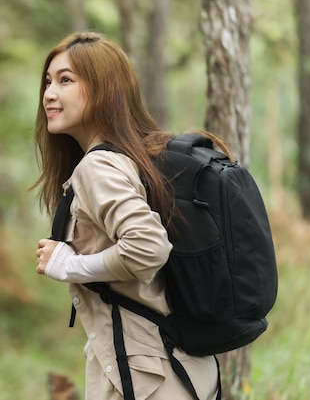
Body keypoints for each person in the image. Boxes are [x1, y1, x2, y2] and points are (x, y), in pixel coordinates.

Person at [32, 31, 220, 400]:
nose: (49, 93)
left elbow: (148, 247)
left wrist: (71, 266)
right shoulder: (133, 157)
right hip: (174, 368)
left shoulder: (99, 166)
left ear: (104, 90)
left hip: (147, 379)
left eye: (66, 80)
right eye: (48, 81)